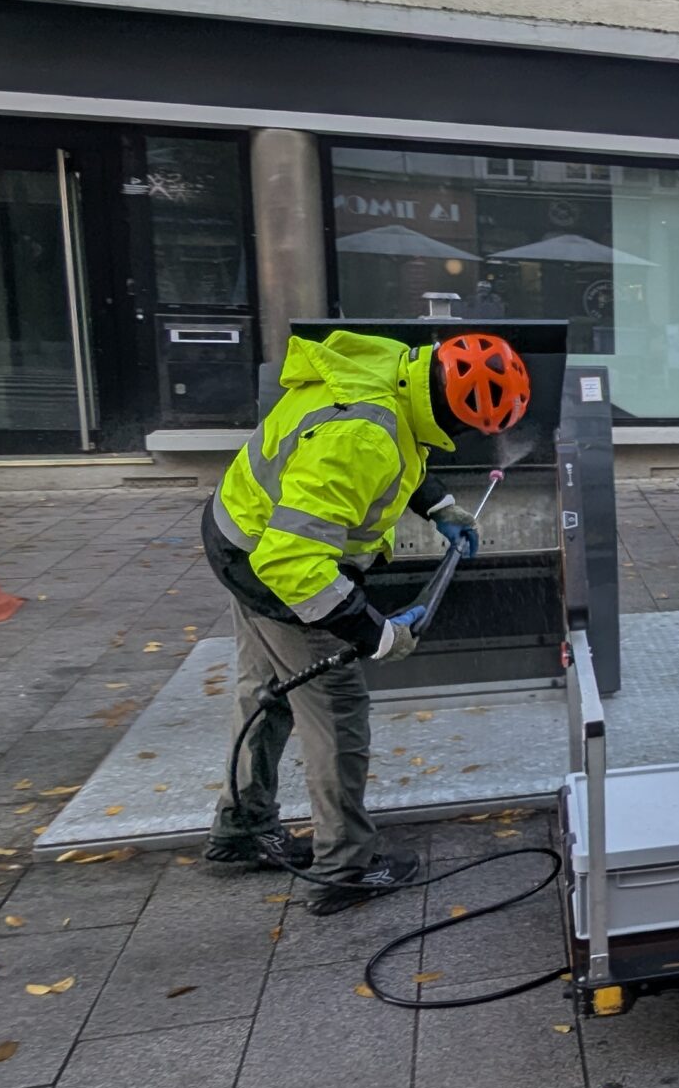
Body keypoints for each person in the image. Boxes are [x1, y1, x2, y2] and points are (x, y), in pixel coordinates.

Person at [202, 329, 530, 914]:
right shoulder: (364, 437)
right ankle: (345, 866)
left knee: (266, 691)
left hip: (237, 533)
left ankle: (241, 828)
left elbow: (396, 446)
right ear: (450, 411)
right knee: (334, 709)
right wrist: (373, 633)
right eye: (466, 428)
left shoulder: (388, 369)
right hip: (272, 564)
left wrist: (437, 504)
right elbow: (294, 558)